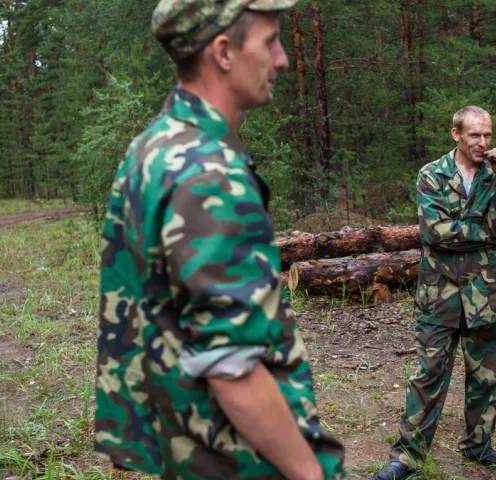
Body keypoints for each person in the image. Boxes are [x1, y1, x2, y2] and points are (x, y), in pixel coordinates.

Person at [93, 1, 344, 479]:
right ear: (224, 52)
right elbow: (231, 366)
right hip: (235, 457)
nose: (283, 59)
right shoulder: (210, 174)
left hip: (184, 444)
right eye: (269, 42)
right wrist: (308, 472)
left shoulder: (153, 146)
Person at [376, 106, 496, 480]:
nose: (483, 143)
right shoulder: (431, 175)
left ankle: (478, 446)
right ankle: (407, 456)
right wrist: (480, 230)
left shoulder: (494, 175)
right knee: (428, 374)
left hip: (485, 293)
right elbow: (435, 233)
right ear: (456, 135)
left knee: (486, 375)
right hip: (440, 293)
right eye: (475, 136)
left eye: (487, 135)